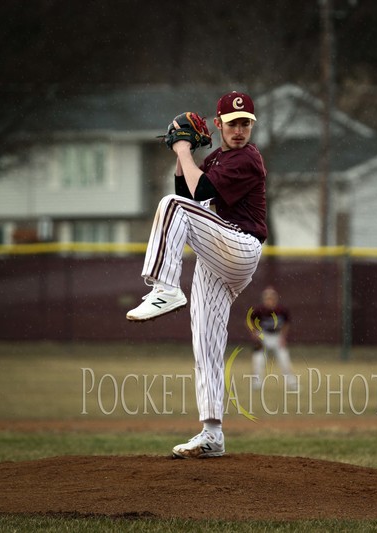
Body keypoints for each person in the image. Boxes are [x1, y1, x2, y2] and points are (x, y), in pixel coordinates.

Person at [126, 91, 267, 458]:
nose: (240, 129)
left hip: (240, 247)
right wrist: (180, 153)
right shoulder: (217, 157)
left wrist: (186, 150)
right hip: (216, 256)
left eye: (246, 123)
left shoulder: (247, 158)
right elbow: (188, 194)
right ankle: (212, 434)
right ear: (218, 125)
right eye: (233, 123)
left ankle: (165, 287)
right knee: (205, 341)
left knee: (170, 206)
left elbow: (196, 192)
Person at [248, 286, 296, 390]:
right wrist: (254, 332)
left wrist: (283, 336)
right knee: (258, 360)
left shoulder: (282, 310)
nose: (269, 301)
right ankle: (257, 383)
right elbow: (250, 321)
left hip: (277, 336)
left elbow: (286, 323)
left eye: (271, 298)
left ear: (276, 299)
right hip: (263, 335)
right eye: (267, 299)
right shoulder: (258, 310)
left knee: (284, 359)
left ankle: (292, 383)